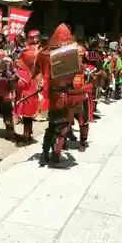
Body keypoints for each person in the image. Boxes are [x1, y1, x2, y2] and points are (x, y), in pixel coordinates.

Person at [34, 24, 89, 167]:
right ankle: (56, 154)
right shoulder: (71, 53)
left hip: (51, 93)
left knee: (52, 124)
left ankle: (45, 154)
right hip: (65, 93)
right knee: (64, 125)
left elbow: (35, 71)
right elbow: (80, 70)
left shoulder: (43, 53)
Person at [14, 48, 39, 146]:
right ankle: (29, 134)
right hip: (32, 96)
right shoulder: (33, 71)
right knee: (28, 119)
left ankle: (26, 136)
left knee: (26, 119)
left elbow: (20, 86)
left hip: (26, 98)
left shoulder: (24, 73)